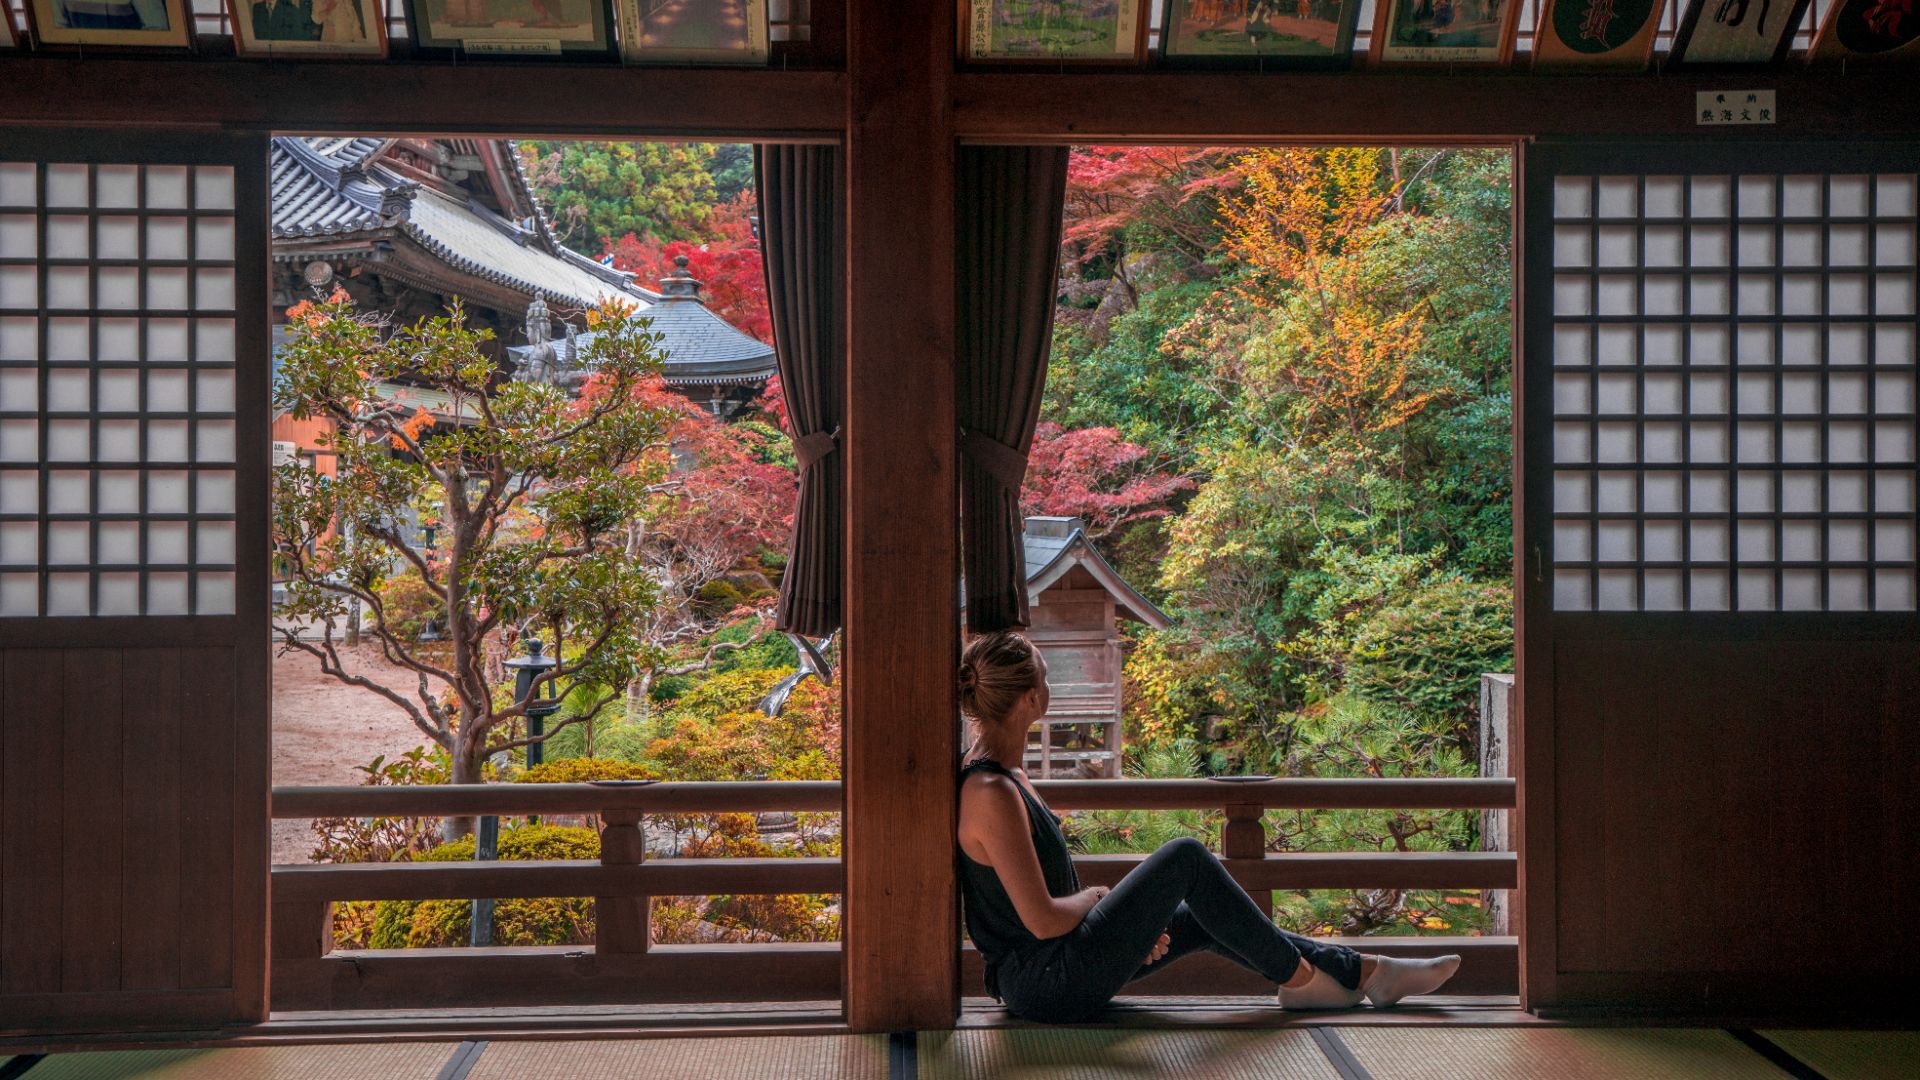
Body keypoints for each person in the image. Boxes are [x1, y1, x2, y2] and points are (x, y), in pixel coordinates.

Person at [957, 629, 1462, 1023]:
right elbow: (1043, 920)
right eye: (1045, 680)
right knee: (1185, 857)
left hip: (1063, 961)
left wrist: (1127, 932)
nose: (1050, 688)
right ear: (1029, 700)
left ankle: (1364, 972)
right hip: (1044, 981)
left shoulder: (1009, 776)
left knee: (1197, 915)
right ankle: (1306, 980)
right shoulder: (991, 792)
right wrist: (1098, 903)